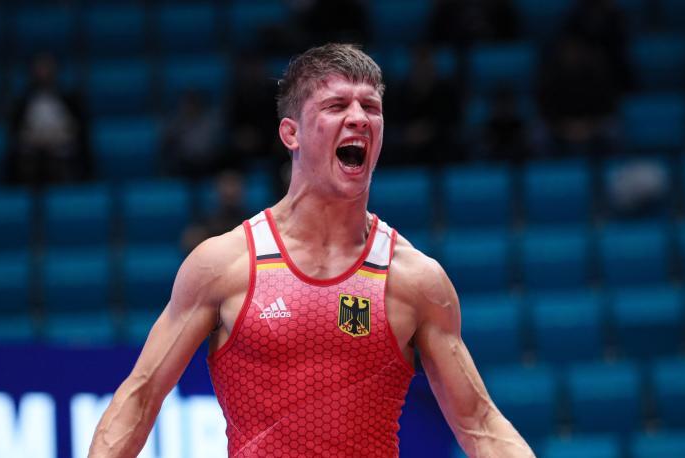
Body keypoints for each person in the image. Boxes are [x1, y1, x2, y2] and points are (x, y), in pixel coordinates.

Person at [88, 44, 535, 458]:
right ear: (291, 133)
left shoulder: (415, 279)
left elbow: (478, 423)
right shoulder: (224, 265)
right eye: (337, 106)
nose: (359, 118)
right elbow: (140, 397)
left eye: (371, 108)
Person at [6, 53, 91, 186]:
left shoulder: (69, 101)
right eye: (40, 68)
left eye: (47, 68)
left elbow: (79, 132)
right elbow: (16, 135)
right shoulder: (23, 103)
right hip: (32, 155)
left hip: (62, 154)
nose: (44, 72)